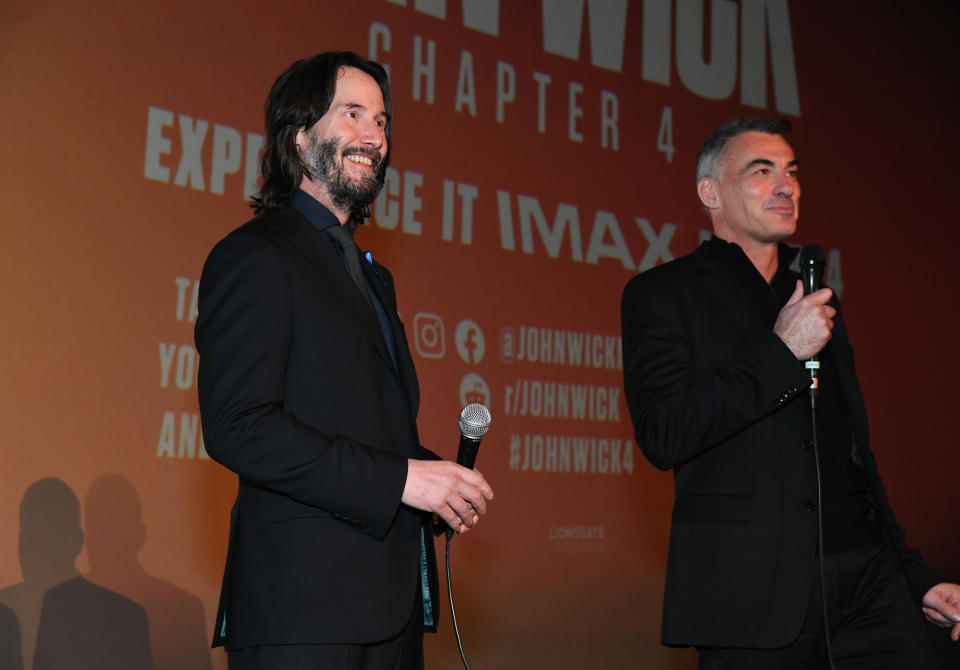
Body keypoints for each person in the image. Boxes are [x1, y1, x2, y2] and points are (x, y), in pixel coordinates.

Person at [621, 117, 960, 668]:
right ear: (710, 192)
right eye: (762, 171)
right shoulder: (663, 294)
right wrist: (781, 353)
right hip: (753, 591)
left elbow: (851, 453)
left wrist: (911, 573)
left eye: (792, 172)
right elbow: (664, 434)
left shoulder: (814, 294)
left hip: (870, 582)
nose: (787, 186)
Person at [195, 51, 493, 669]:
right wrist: (404, 480)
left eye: (382, 121)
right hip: (302, 615)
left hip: (390, 612)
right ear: (300, 137)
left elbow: (360, 427)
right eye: (352, 114)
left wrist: (436, 484)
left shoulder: (369, 275)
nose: (374, 137)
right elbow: (240, 427)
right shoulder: (255, 256)